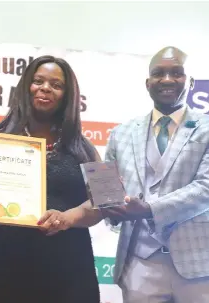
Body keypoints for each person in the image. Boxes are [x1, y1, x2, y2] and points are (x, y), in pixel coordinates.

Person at [54, 46, 209, 302]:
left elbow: (205, 189)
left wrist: (148, 209)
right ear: (148, 83)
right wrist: (108, 210)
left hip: (196, 263)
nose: (167, 79)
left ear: (191, 82)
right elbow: (106, 195)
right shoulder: (121, 133)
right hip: (139, 262)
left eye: (176, 73)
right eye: (159, 73)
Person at [0, 55, 103, 303]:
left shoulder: (85, 147)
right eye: (38, 81)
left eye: (56, 85)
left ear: (67, 96)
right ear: (27, 87)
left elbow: (104, 203)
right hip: (4, 266)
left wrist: (67, 218)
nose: (46, 88)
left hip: (69, 269)